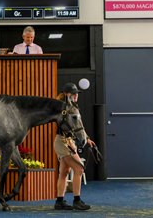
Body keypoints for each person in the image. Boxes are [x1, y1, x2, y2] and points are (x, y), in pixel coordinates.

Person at [54, 82, 95, 211]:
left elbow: (79, 126)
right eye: (74, 93)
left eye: (77, 93)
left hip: (68, 142)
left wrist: (86, 138)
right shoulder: (65, 108)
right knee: (79, 169)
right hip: (63, 142)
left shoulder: (72, 107)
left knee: (64, 172)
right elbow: (70, 126)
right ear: (67, 94)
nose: (76, 95)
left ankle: (59, 201)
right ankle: (77, 200)